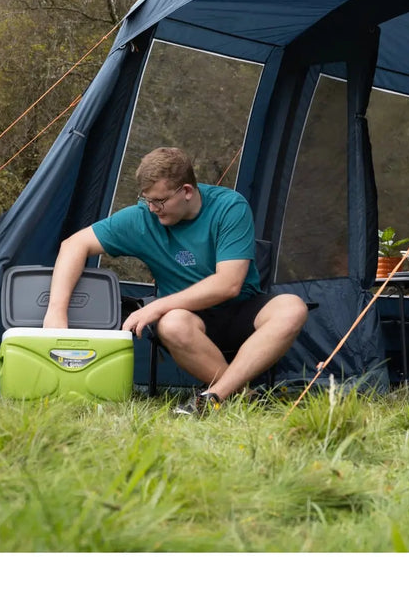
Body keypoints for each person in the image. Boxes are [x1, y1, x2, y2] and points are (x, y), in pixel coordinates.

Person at [42, 147, 309, 414]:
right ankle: (236, 397)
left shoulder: (229, 207)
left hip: (241, 310)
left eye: (160, 201)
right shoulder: (142, 218)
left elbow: (228, 283)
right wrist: (56, 312)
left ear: (187, 191)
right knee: (171, 324)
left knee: (292, 308)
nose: (152, 208)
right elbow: (73, 245)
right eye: (147, 199)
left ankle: (215, 395)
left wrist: (156, 306)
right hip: (190, 320)